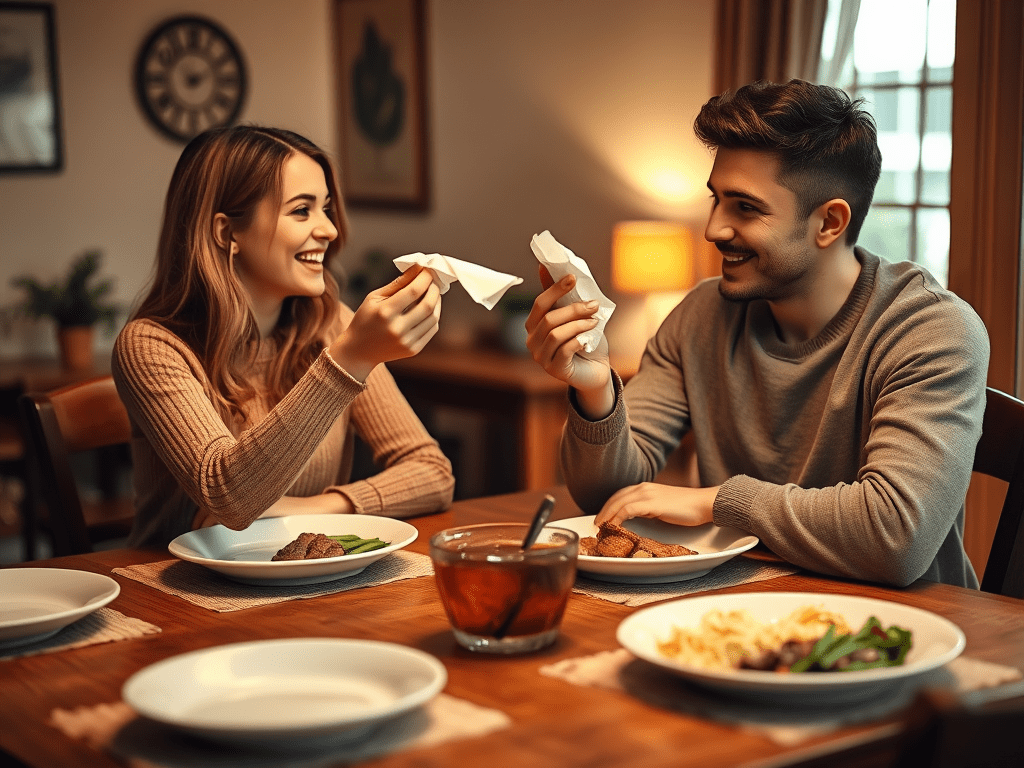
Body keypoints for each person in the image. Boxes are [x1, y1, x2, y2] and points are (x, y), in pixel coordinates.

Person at [525, 79, 989, 588]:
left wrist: (715, 502)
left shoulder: (930, 331)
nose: (713, 229)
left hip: (904, 632)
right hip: (739, 611)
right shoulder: (702, 315)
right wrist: (595, 390)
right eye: (716, 199)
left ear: (830, 223)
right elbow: (607, 499)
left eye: (745, 207)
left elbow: (896, 538)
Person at [113, 125, 454, 548]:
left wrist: (301, 510)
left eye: (326, 208)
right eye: (301, 211)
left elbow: (432, 472)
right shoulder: (151, 347)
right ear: (227, 233)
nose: (329, 229)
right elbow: (232, 499)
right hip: (172, 593)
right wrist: (349, 360)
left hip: (307, 581)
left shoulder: (330, 325)